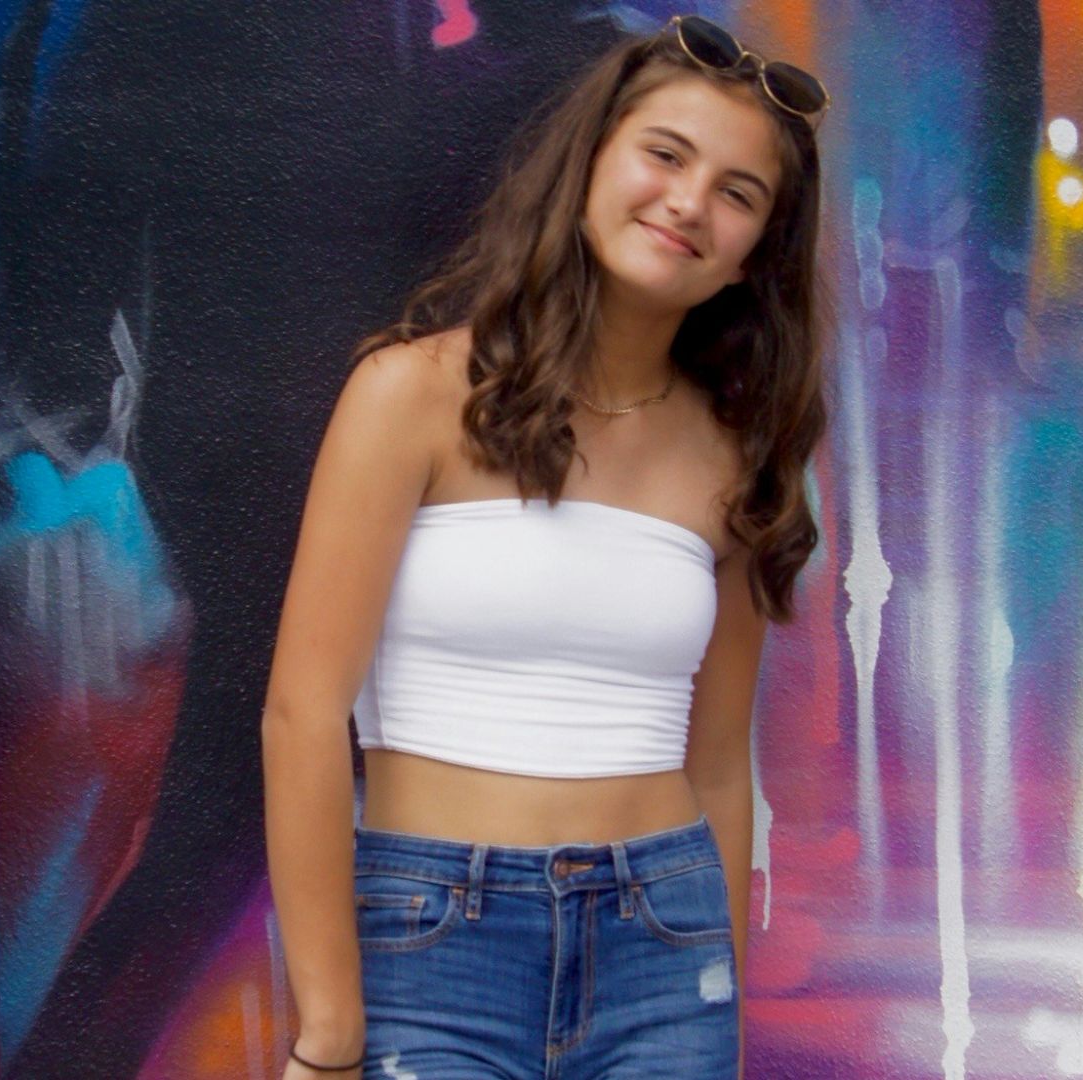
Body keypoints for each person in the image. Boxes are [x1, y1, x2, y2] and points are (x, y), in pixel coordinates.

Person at [261, 15, 832, 1079]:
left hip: (666, 950)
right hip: (429, 943)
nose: (687, 203)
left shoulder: (740, 457)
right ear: (591, 161)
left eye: (737, 193)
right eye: (664, 154)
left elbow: (717, 763)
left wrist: (730, 1022)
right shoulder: (413, 394)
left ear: (755, 256)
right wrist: (330, 1031)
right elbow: (302, 713)